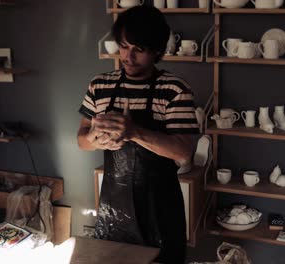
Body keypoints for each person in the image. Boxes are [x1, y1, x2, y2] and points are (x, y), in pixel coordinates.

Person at [77, 5, 199, 263]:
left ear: (157, 51)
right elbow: (81, 140)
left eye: (139, 50)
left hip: (160, 209)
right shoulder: (100, 85)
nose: (128, 57)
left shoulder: (174, 89)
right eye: (123, 46)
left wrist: (134, 132)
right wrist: (94, 138)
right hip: (113, 207)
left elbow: (184, 151)